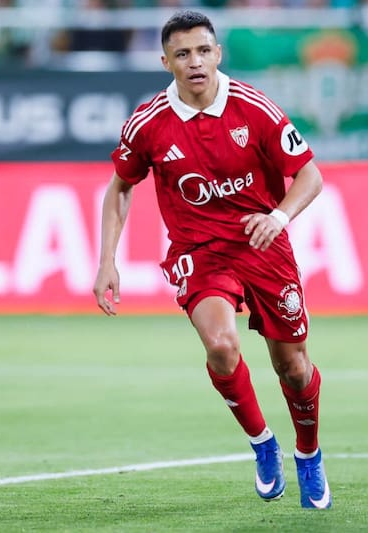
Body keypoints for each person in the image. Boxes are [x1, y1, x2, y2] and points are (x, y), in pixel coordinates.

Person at [92, 10, 331, 510]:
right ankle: (263, 444)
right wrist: (106, 260)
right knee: (221, 346)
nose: (195, 62)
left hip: (264, 247)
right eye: (183, 54)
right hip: (199, 251)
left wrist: (280, 217)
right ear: (166, 61)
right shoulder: (148, 123)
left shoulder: (255, 108)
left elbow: (309, 175)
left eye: (203, 51)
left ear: (218, 53)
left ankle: (308, 452)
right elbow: (120, 187)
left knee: (292, 366)